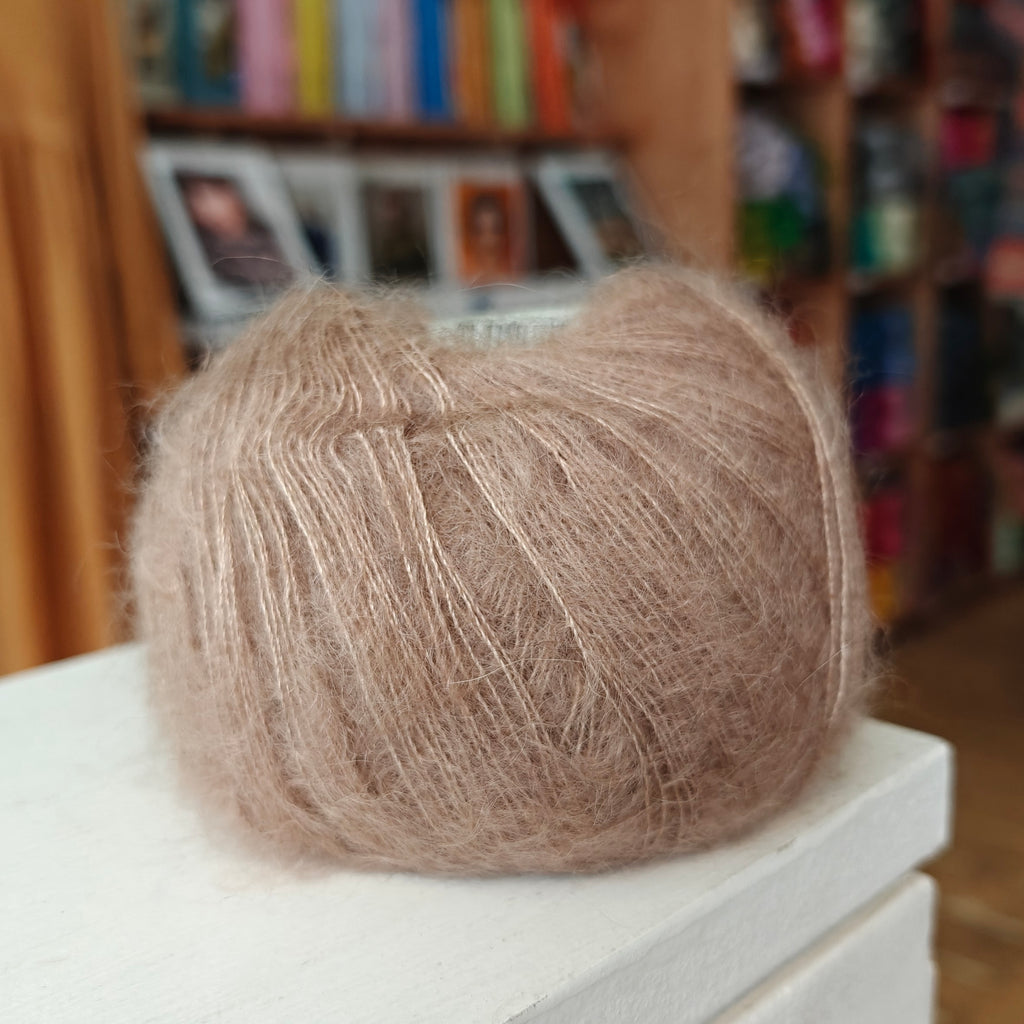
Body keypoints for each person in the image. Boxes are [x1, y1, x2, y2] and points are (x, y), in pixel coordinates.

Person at [178, 173, 293, 289]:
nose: (208, 207)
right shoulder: (203, 251)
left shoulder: (271, 236)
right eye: (198, 198)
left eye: (215, 194)